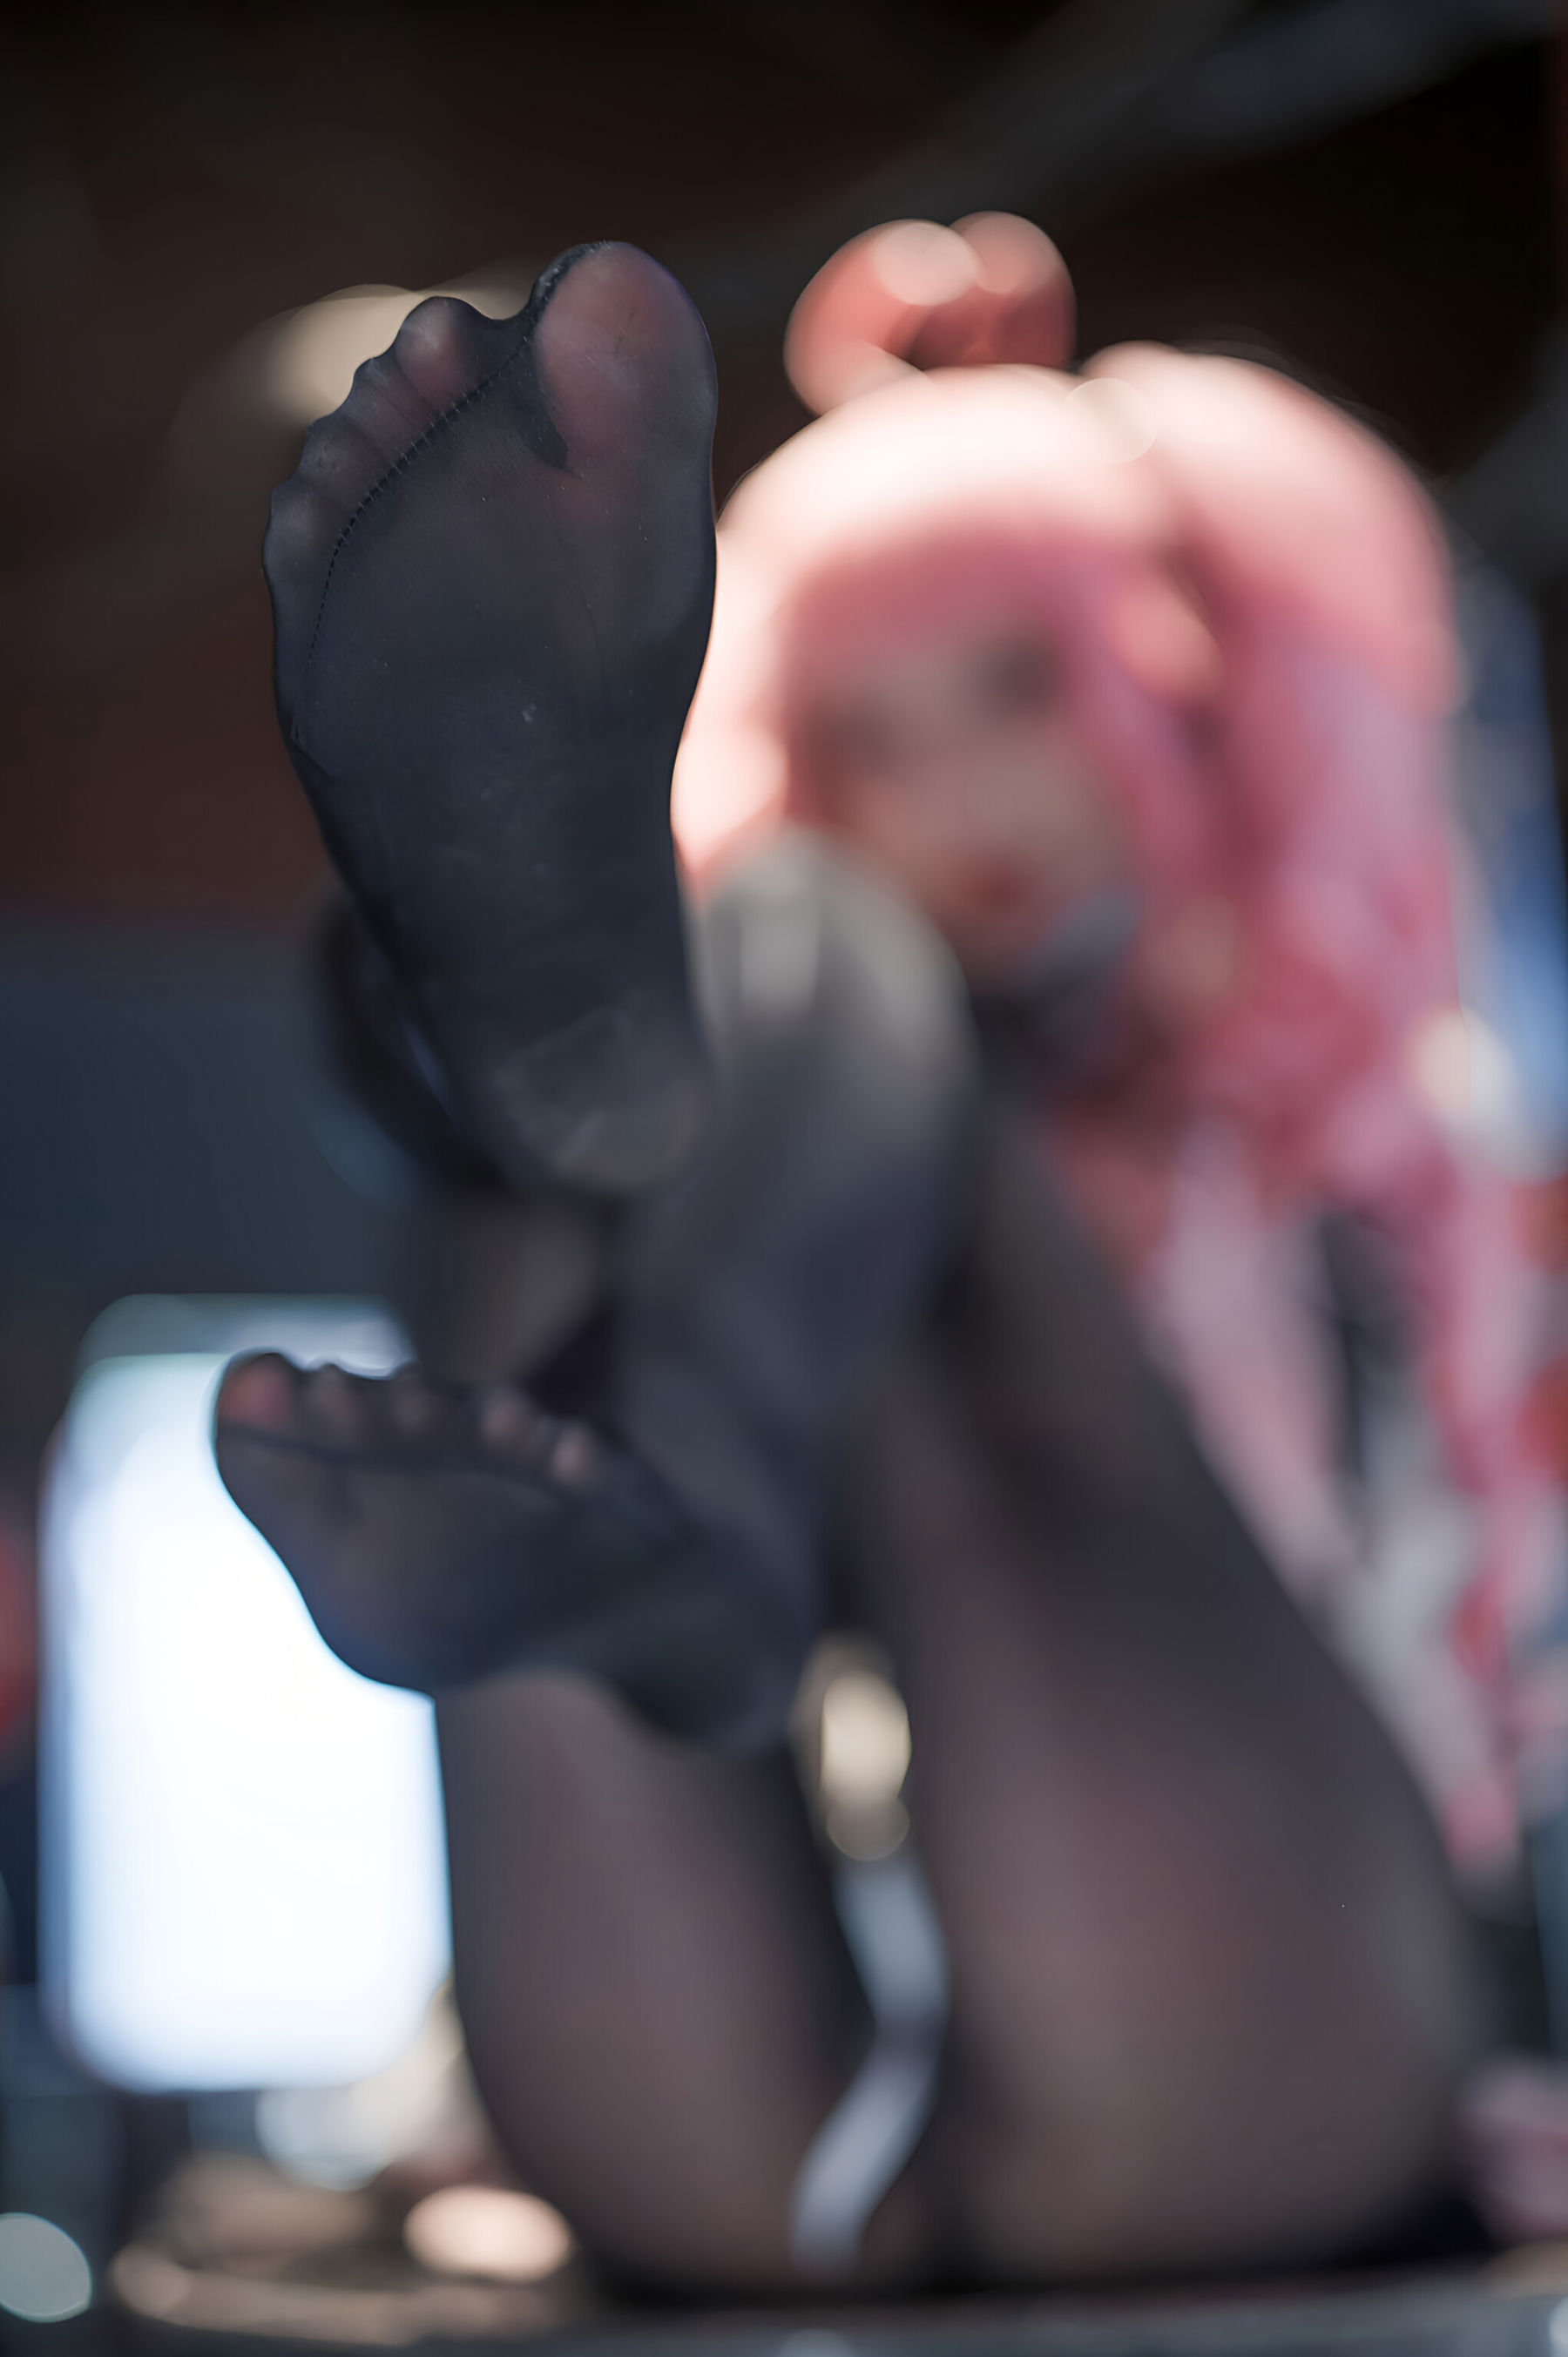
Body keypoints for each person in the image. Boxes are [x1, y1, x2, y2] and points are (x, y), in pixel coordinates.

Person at [213, 221, 1565, 2293]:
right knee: (725, 1033)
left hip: (1253, 2081)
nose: (953, 792)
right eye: (866, 738)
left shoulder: (1431, 1201)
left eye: (1016, 685)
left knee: (810, 1002)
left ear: (1217, 687)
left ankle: (529, 1095)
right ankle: (525, 1044)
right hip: (732, 2132)